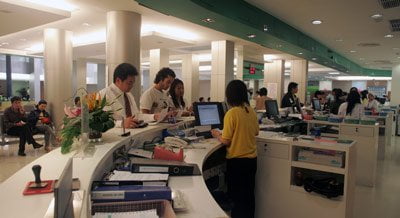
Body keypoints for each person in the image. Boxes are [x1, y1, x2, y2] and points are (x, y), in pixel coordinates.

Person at [211, 80, 259, 218]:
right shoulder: (250, 111)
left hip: (237, 162)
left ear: (229, 96)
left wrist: (217, 134)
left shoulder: (231, 113)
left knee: (236, 198)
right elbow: (256, 132)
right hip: (252, 161)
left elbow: (226, 140)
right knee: (248, 196)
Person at [100, 63, 162, 129]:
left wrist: (154, 117)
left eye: (133, 83)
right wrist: (121, 123)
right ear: (118, 80)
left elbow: (136, 116)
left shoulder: (128, 95)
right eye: (129, 83)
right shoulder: (104, 95)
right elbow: (102, 122)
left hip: (132, 133)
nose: (132, 86)